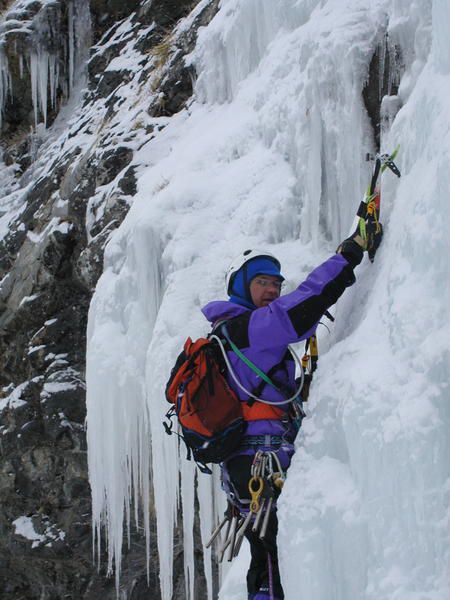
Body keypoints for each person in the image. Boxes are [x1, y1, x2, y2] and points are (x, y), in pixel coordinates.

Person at [201, 232, 373, 600]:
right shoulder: (245, 329)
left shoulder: (231, 334)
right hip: (260, 461)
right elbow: (297, 311)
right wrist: (344, 261)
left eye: (277, 283)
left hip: (247, 465)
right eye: (262, 282)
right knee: (273, 560)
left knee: (266, 558)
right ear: (241, 287)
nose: (272, 289)